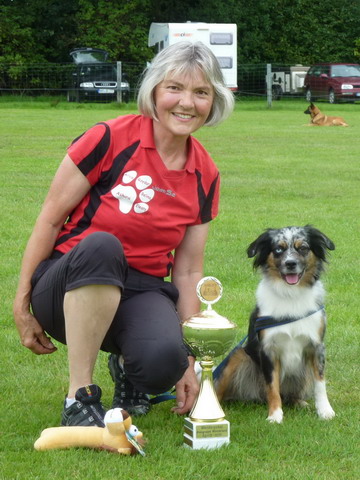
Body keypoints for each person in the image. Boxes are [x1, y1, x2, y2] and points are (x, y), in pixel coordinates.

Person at [13, 41, 234, 427]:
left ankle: (131, 371)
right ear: (153, 91)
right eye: (175, 88)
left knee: (165, 361)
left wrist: (191, 358)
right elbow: (49, 220)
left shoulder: (206, 175)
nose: (187, 103)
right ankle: (78, 400)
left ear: (213, 102)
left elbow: (186, 272)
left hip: (140, 289)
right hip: (67, 282)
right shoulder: (108, 138)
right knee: (102, 245)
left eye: (201, 92)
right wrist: (21, 305)